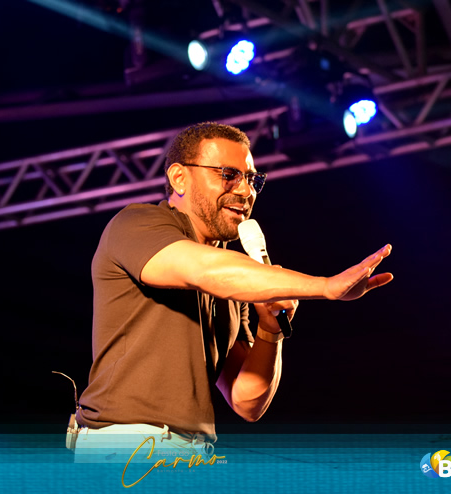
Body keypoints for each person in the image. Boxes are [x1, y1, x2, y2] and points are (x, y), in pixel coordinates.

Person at [71, 122, 392, 464]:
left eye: (252, 180)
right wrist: (325, 286)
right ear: (179, 178)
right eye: (229, 175)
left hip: (192, 454)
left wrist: (269, 330)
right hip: (126, 447)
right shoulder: (137, 224)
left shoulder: (234, 282)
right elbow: (202, 270)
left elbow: (247, 402)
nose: (246, 191)